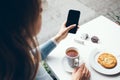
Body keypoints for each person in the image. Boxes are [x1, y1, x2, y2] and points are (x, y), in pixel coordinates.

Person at [0, 0, 90, 80]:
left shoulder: (10, 52)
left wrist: (59, 37)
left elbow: (32, 56)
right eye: (39, 9)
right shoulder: (20, 73)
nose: (42, 10)